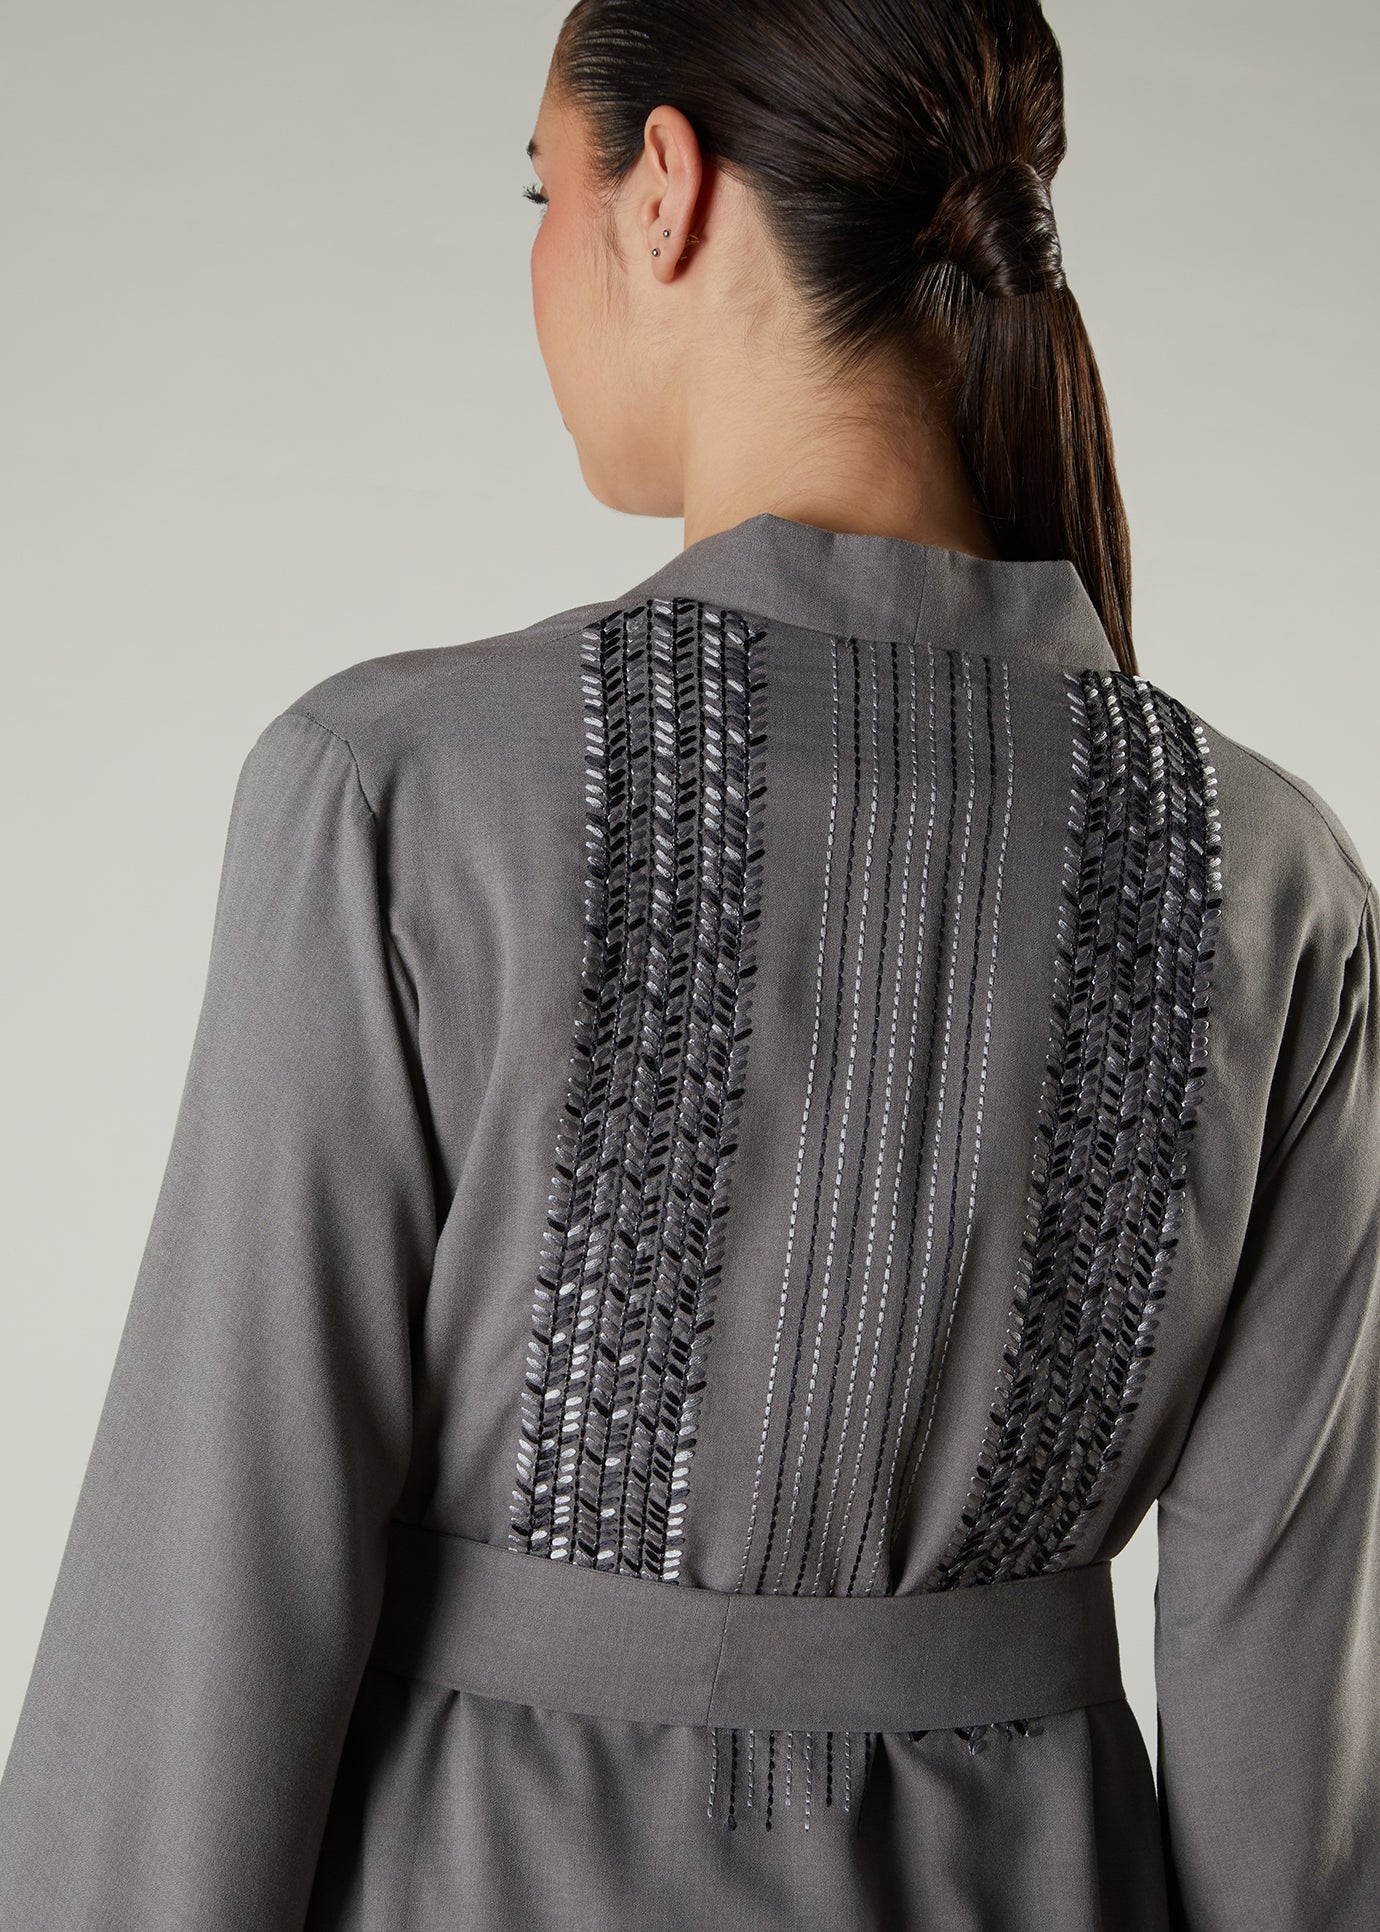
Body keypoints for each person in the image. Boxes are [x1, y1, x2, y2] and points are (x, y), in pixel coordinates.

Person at [1, 2, 1376, 1927]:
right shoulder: (1275, 879)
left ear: (664, 190)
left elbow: (205, 1610)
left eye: (540, 192)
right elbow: (1292, 1766)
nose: (537, 259)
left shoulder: (394, 791)